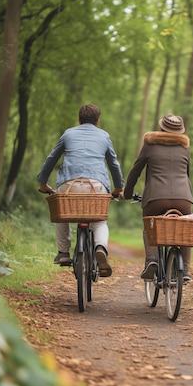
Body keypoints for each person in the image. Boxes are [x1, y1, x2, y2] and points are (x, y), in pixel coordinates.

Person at [37, 103, 124, 277]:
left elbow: (51, 158)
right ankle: (100, 248)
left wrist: (43, 183)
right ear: (98, 121)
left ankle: (63, 253)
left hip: (68, 185)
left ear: (79, 119)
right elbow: (114, 163)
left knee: (62, 214)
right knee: (99, 221)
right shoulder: (104, 136)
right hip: (97, 185)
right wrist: (119, 187)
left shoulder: (68, 133)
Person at [123, 114, 193, 282]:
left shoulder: (150, 144)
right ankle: (185, 272)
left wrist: (127, 193)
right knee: (185, 230)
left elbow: (135, 171)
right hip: (183, 198)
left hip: (155, 197)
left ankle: (152, 260)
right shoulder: (185, 147)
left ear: (161, 127)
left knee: (149, 226)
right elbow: (187, 173)